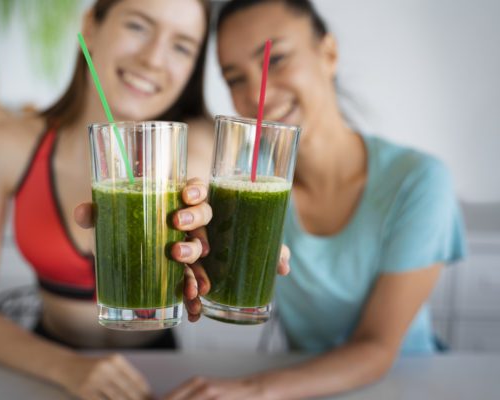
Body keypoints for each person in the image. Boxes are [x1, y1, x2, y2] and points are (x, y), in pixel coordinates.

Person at [167, 0, 467, 399]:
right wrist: (184, 216)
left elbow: (376, 348)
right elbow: (198, 164)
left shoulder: (418, 181)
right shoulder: (241, 180)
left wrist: (253, 390)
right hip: (302, 378)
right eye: (235, 77)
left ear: (328, 53)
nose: (259, 93)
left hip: (406, 382)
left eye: (276, 60)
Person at [0, 1, 214, 399]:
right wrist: (69, 369)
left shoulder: (201, 153)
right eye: (139, 26)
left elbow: (233, 256)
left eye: (182, 46)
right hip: (45, 368)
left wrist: (223, 251)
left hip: (159, 373)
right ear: (90, 26)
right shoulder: (6, 146)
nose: (154, 58)